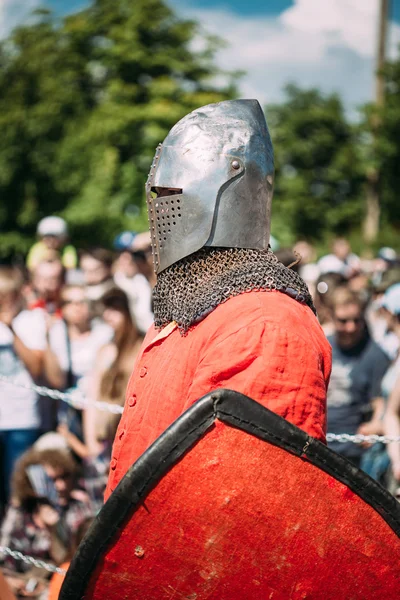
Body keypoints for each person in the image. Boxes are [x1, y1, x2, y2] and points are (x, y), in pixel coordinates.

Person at [105, 99, 332, 499]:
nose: (160, 210)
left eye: (171, 194)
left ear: (224, 192)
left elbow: (239, 504)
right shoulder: (186, 307)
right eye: (158, 195)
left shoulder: (264, 324)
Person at [58, 288, 143, 511]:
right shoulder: (105, 351)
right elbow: (92, 399)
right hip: (103, 443)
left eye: (115, 309)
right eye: (107, 310)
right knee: (100, 511)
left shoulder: (141, 347)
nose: (109, 316)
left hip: (132, 441)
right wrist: (90, 445)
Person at [0, 447, 93, 597]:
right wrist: (13, 583)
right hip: (17, 587)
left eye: (64, 477)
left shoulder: (78, 510)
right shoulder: (21, 511)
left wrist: (54, 529)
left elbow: (69, 563)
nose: (60, 485)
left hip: (57, 589)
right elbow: (3, 556)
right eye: (52, 480)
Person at [326, 287, 390, 468]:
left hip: (355, 452)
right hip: (320, 444)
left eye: (356, 320)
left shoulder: (375, 355)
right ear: (331, 317)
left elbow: (381, 402)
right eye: (343, 321)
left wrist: (375, 425)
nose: (351, 327)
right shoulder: (324, 346)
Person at [0, 267, 46, 507]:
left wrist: (11, 330)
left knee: (17, 490)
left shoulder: (31, 321)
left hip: (22, 419)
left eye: (9, 295)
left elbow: (36, 367)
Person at [43, 284, 113, 439]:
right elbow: (56, 380)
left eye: (82, 302)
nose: (77, 307)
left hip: (98, 412)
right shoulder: (56, 335)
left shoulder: (104, 333)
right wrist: (46, 338)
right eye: (70, 302)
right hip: (69, 415)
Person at [113, 232, 154, 334]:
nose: (128, 259)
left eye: (135, 254)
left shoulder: (148, 281)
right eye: (121, 254)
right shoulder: (119, 284)